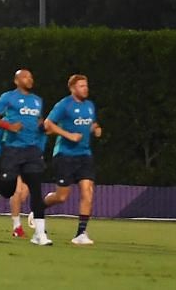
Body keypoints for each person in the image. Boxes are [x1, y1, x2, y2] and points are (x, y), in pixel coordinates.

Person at [0, 68, 52, 246]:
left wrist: (43, 128)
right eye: (25, 76)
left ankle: (39, 234)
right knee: (8, 189)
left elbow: (38, 122)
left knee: (36, 190)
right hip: (12, 150)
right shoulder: (8, 97)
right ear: (16, 81)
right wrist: (9, 126)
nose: (30, 79)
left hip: (32, 151)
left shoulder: (37, 101)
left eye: (31, 76)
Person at [44, 73, 103, 245]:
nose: (85, 89)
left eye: (86, 85)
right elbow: (48, 124)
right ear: (72, 88)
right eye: (81, 86)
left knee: (88, 191)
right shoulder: (64, 105)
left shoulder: (90, 105)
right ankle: (39, 208)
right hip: (65, 155)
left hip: (85, 155)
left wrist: (96, 128)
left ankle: (81, 233)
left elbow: (90, 123)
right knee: (62, 197)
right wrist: (68, 135)